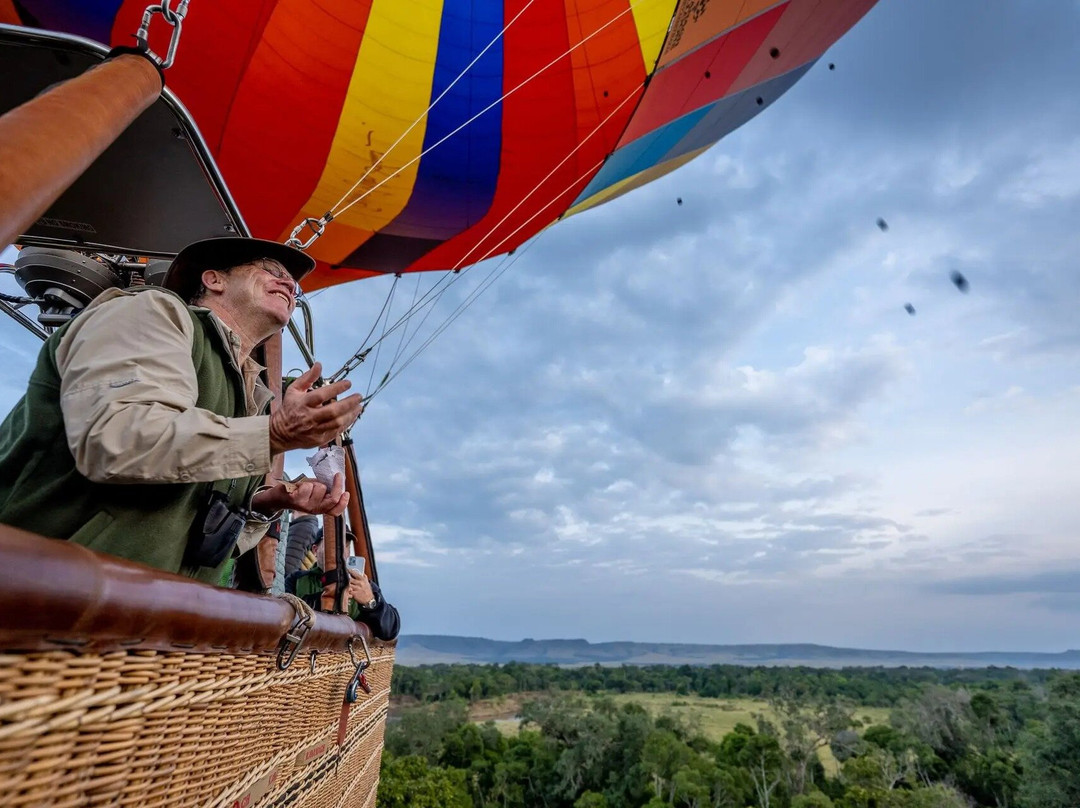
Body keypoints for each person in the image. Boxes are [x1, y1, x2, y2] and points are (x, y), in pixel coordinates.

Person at [0, 237, 364, 584]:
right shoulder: (151, 311)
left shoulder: (254, 397)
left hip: (145, 621)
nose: (288, 283)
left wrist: (270, 502)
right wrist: (273, 435)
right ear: (214, 279)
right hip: (36, 595)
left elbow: (199, 534)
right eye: (271, 269)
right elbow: (117, 440)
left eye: (292, 283)